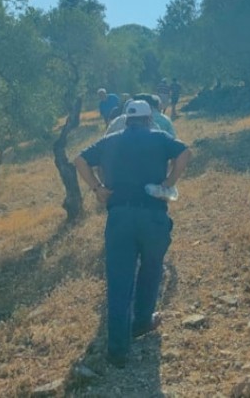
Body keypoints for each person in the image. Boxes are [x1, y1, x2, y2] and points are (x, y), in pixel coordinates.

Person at [74, 100, 191, 368]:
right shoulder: (160, 137)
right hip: (153, 216)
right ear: (150, 119)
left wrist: (97, 188)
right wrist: (168, 183)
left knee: (119, 280)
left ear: (127, 120)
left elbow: (80, 159)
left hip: (120, 218)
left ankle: (117, 351)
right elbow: (185, 153)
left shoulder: (110, 140)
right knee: (151, 268)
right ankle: (142, 322)